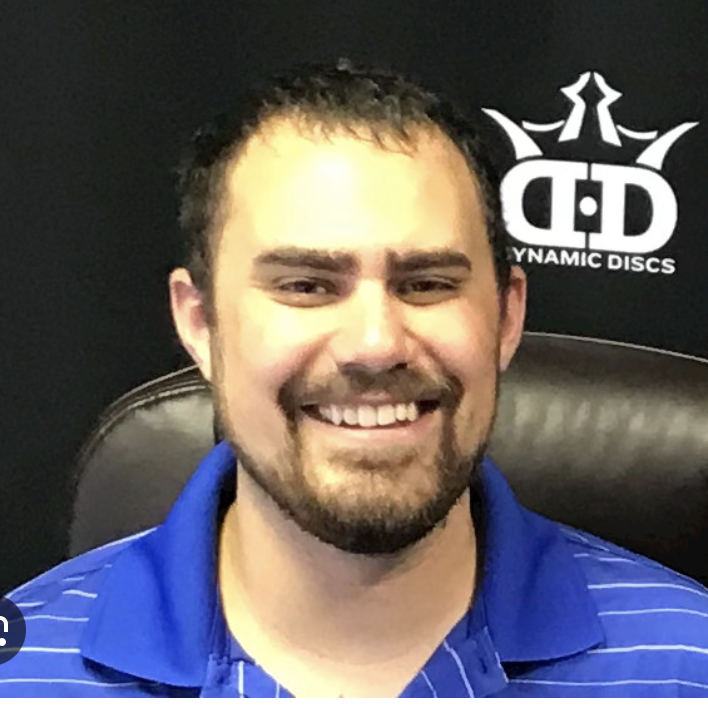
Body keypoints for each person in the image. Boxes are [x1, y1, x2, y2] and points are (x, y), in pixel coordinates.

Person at [3, 60, 708, 698]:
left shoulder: (688, 664)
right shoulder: (24, 675)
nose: (375, 345)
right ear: (200, 323)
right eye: (306, 286)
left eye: (427, 283)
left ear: (506, 317)